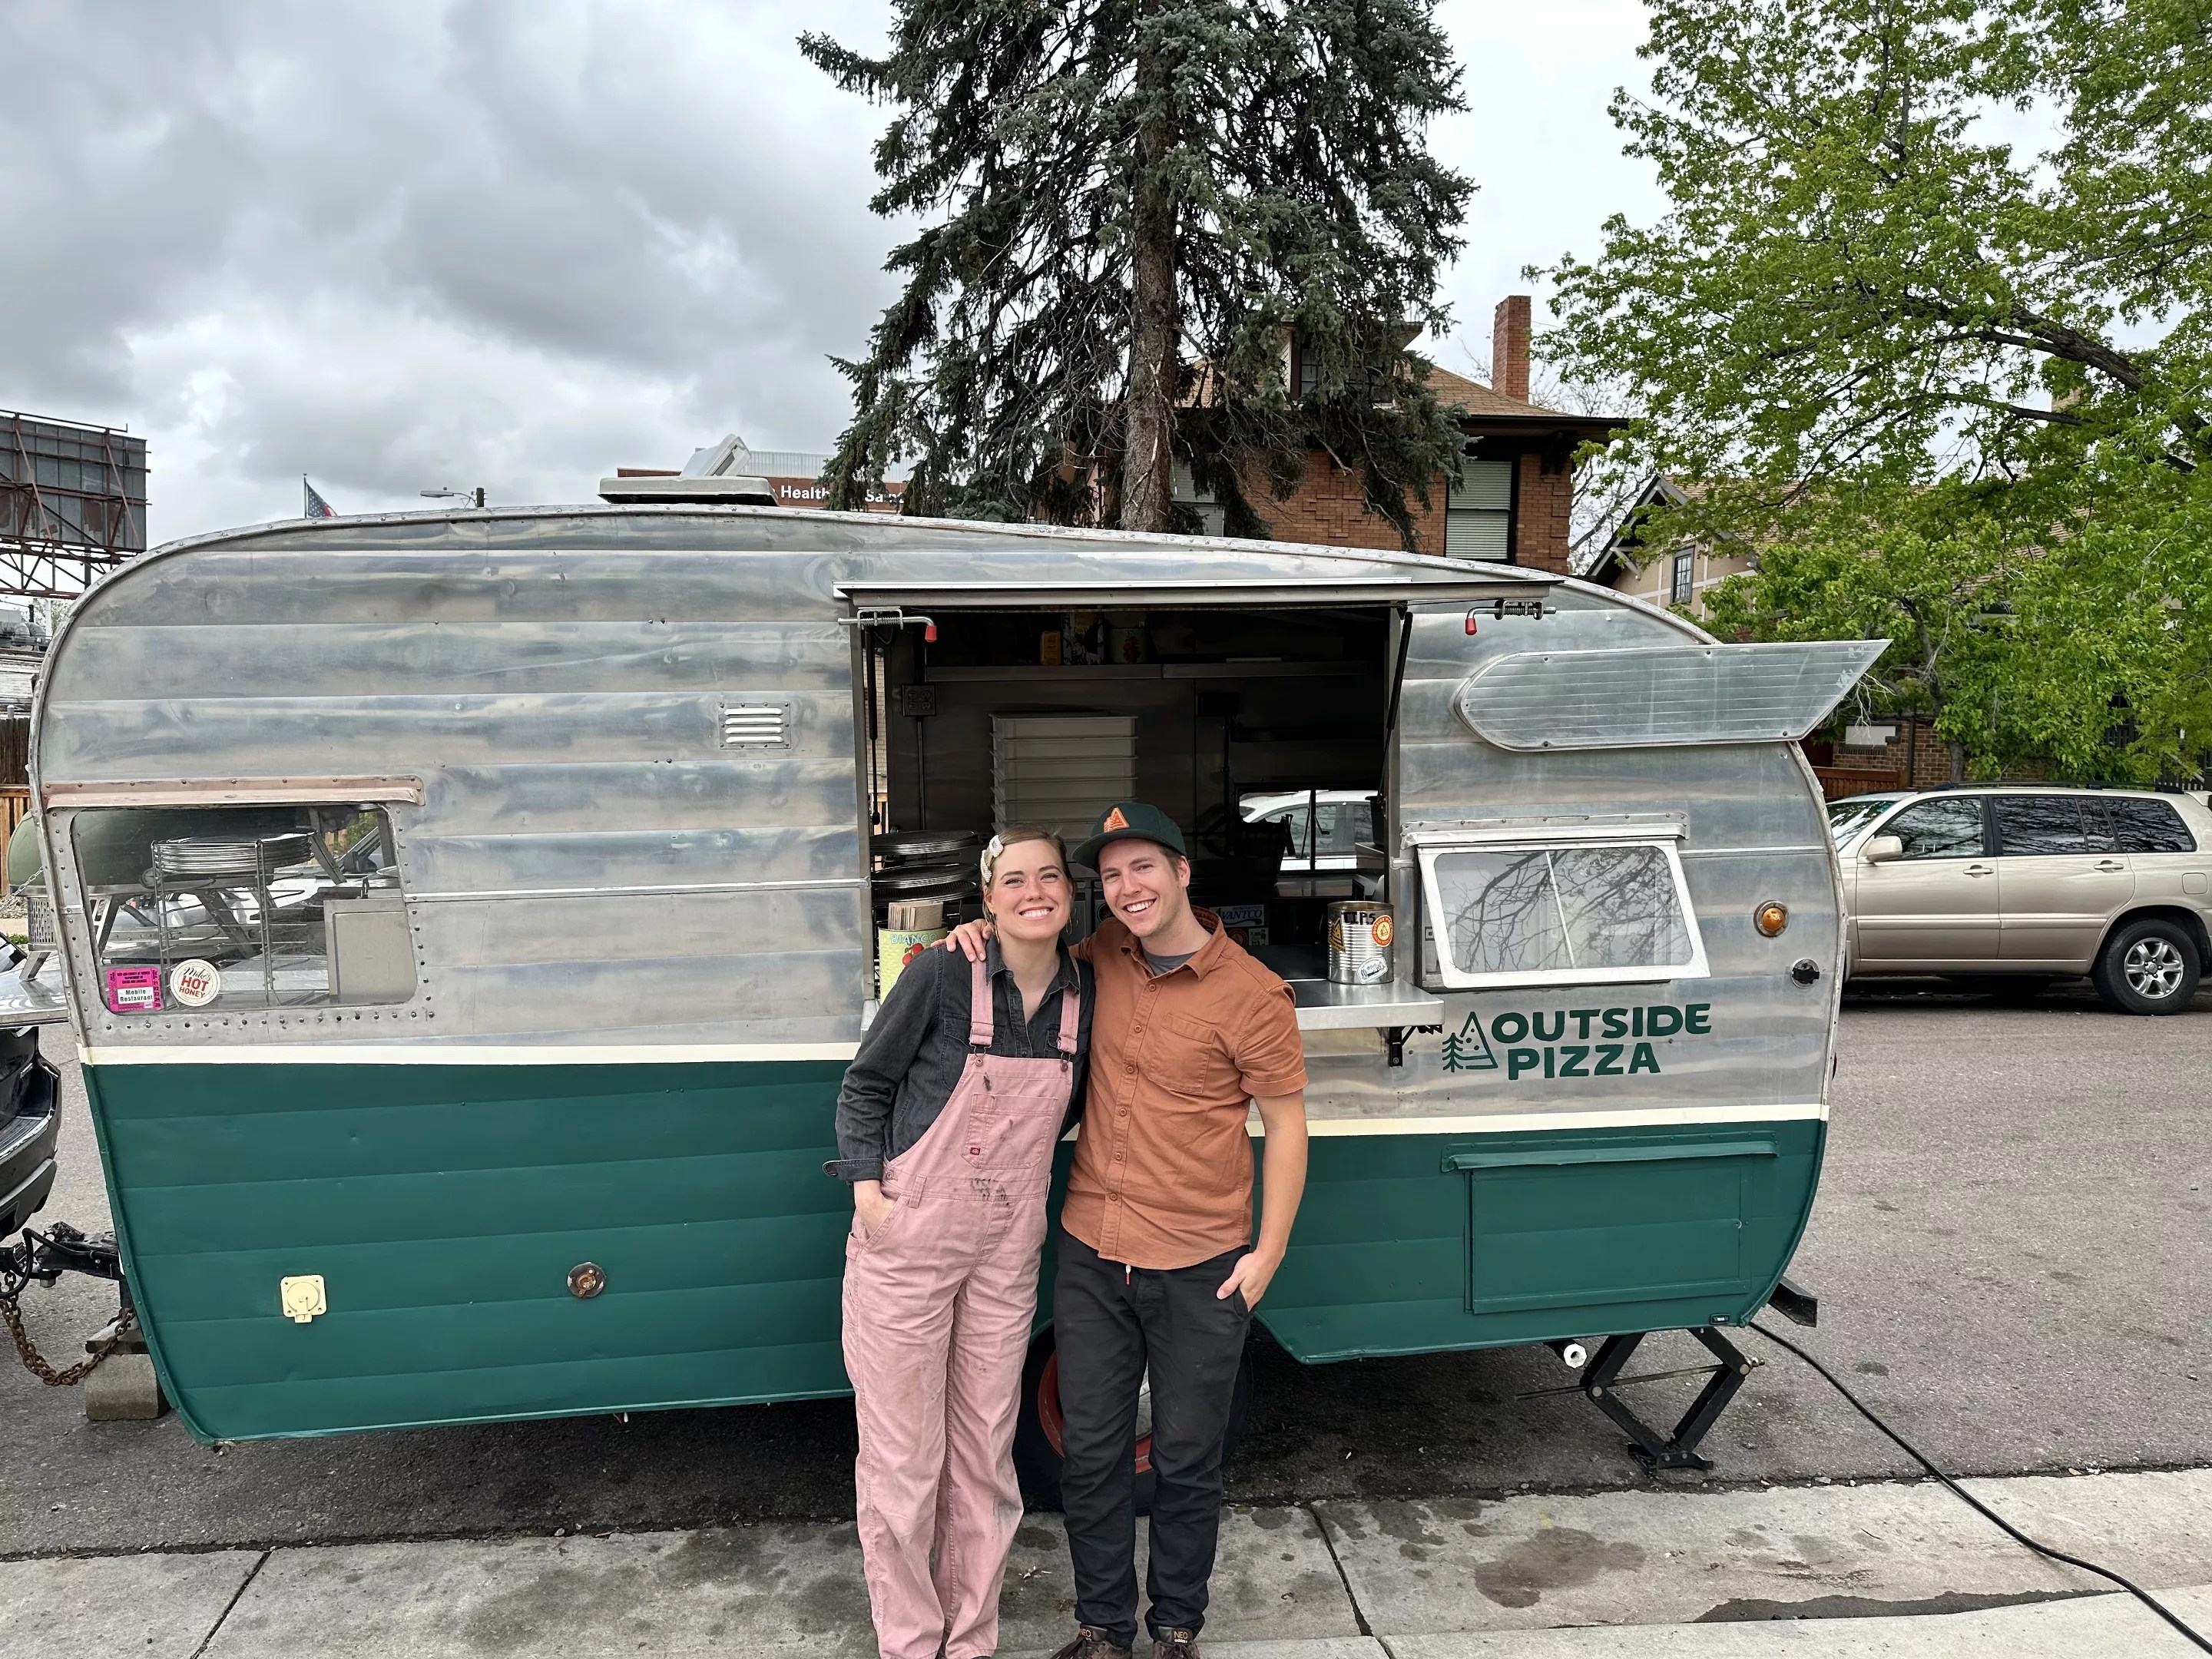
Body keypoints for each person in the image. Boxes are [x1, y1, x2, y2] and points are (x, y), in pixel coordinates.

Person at [946, 801, 1309, 1659]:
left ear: (1184, 873)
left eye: (1142, 868)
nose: (1126, 889)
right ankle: (1103, 1630)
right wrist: (979, 929)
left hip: (1201, 1264)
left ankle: (1176, 1629)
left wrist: (1268, 1253)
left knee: (1185, 1463)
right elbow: (1030, 955)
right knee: (1094, 1458)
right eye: (1109, 877)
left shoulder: (1253, 996)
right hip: (1093, 1254)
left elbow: (1287, 1127)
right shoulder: (1103, 952)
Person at [830, 826, 1094, 1659]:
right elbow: (866, 1084)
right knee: (905, 1465)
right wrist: (871, 1195)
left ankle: (970, 1639)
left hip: (1004, 1255)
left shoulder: (1086, 990)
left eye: (1048, 876)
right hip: (909, 1245)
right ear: (987, 899)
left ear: (1068, 893)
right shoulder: (942, 972)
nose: (1033, 891)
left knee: (983, 1460)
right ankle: (911, 1643)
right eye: (1014, 880)